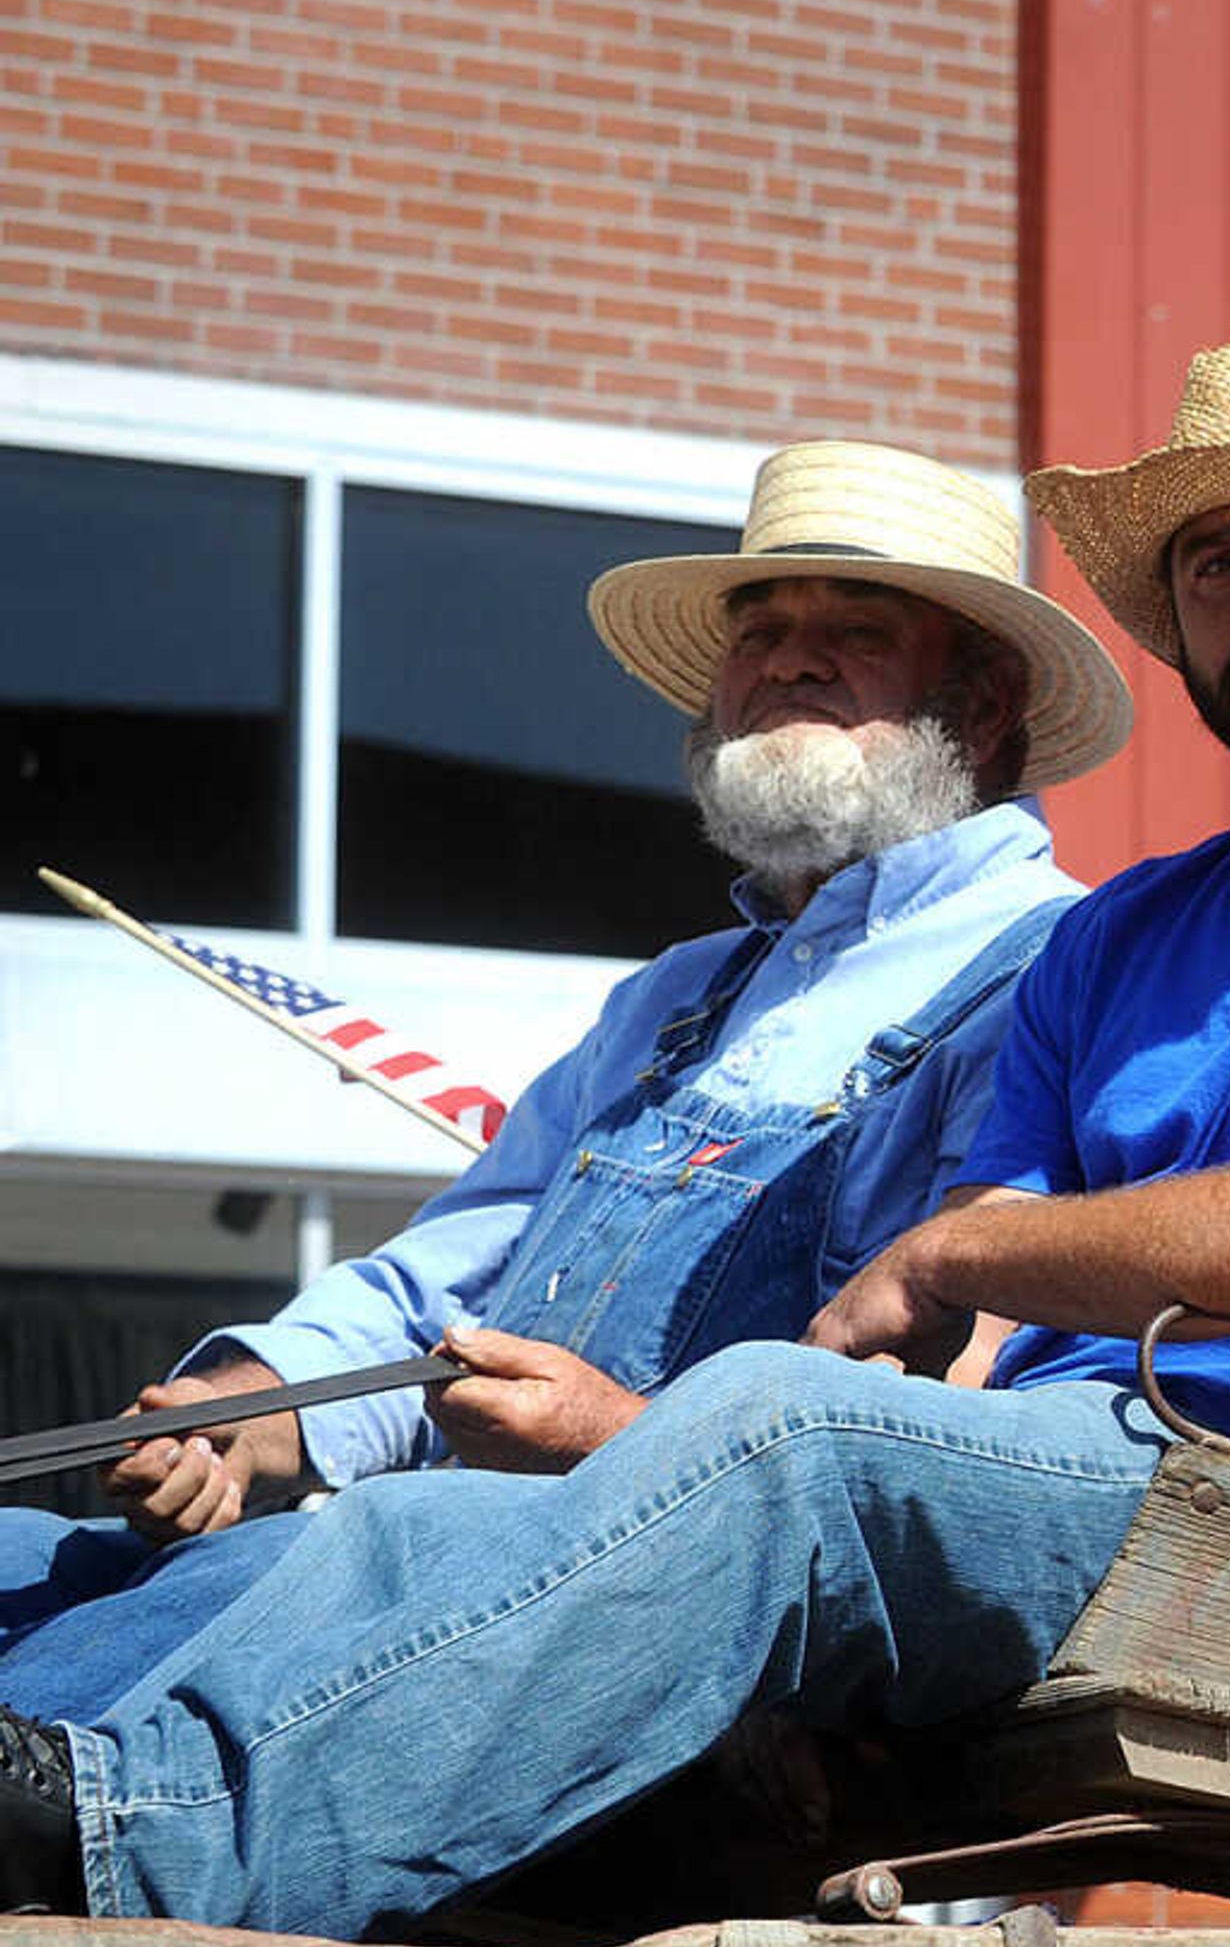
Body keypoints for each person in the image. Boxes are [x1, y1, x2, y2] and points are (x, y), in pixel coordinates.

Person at [0, 330, 1230, 1937]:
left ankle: (128, 1839)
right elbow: (970, 1365)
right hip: (1096, 1502)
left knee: (775, 1425)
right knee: (425, 1525)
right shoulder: (1125, 935)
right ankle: (52, 1757)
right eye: (1220, 565)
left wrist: (946, 1250)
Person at [0, 440, 1134, 1708]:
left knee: (147, 1665)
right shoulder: (673, 994)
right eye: (757, 628)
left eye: (856, 632)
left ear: (979, 707)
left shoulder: (1058, 970)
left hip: (676, 1649)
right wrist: (255, 1405)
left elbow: (931, 1444)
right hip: (446, 1587)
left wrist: (613, 1445)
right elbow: (442, 1283)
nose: (787, 660)